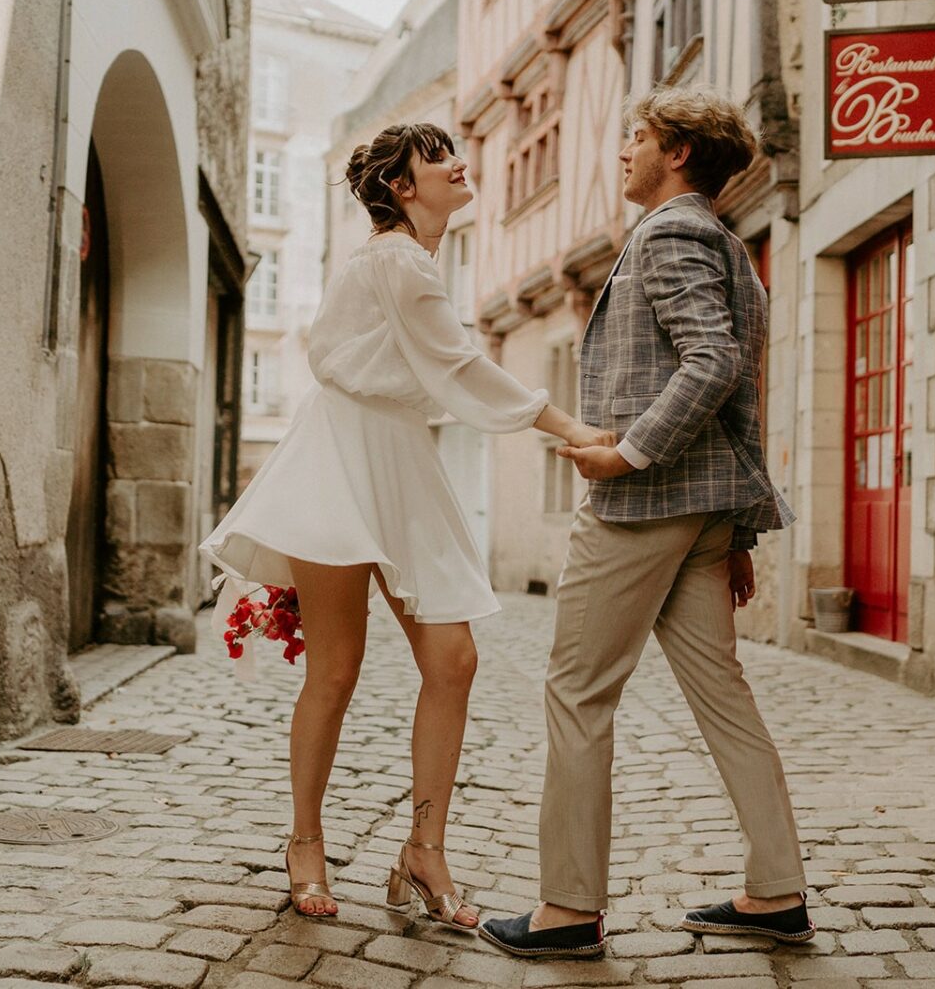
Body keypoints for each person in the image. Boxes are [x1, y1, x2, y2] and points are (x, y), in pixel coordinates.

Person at [200, 122, 615, 930]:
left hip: (401, 458)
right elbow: (459, 365)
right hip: (342, 456)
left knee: (453, 659)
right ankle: (306, 842)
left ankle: (424, 851)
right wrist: (570, 427)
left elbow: (442, 367)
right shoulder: (393, 258)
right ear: (400, 187)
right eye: (439, 159)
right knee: (336, 669)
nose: (462, 165)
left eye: (457, 153)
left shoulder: (412, 263)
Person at [479, 87, 812, 959]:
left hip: (644, 507)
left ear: (677, 153)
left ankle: (567, 912)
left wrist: (625, 456)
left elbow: (711, 365)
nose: (622, 148)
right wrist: (735, 528)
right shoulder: (731, 249)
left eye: (637, 135)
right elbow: (739, 388)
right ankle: (776, 891)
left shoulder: (669, 234)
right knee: (725, 699)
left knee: (578, 693)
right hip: (702, 513)